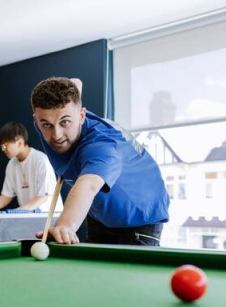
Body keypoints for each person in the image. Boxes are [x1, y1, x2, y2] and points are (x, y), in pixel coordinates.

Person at [30, 77, 169, 246]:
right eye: (46, 124)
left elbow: (88, 185)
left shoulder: (102, 145)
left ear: (82, 116)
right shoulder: (51, 118)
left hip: (139, 214)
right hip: (100, 214)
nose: (57, 134)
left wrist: (65, 225)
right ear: (36, 121)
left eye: (65, 122)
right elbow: (76, 82)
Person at [0, 122, 63, 213]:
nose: (3, 149)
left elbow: (42, 197)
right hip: (28, 217)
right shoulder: (11, 164)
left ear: (20, 143)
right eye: (2, 146)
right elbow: (6, 196)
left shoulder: (41, 160)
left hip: (49, 217)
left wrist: (15, 212)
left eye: (5, 146)